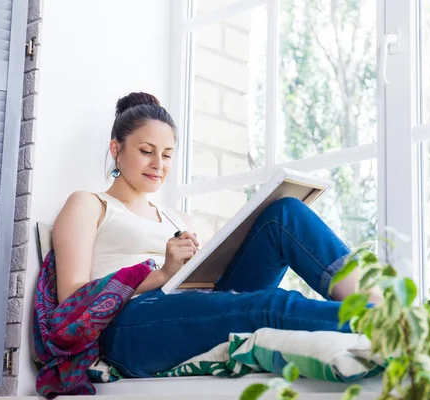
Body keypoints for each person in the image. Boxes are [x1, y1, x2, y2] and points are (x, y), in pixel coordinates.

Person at [52, 92, 368, 378]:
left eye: (167, 154)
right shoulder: (90, 204)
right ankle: (385, 328)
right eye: (147, 151)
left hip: (189, 305)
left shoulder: (178, 218)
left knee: (285, 214)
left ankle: (375, 306)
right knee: (265, 307)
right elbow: (71, 298)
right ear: (116, 149)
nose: (158, 165)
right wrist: (162, 274)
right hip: (131, 324)